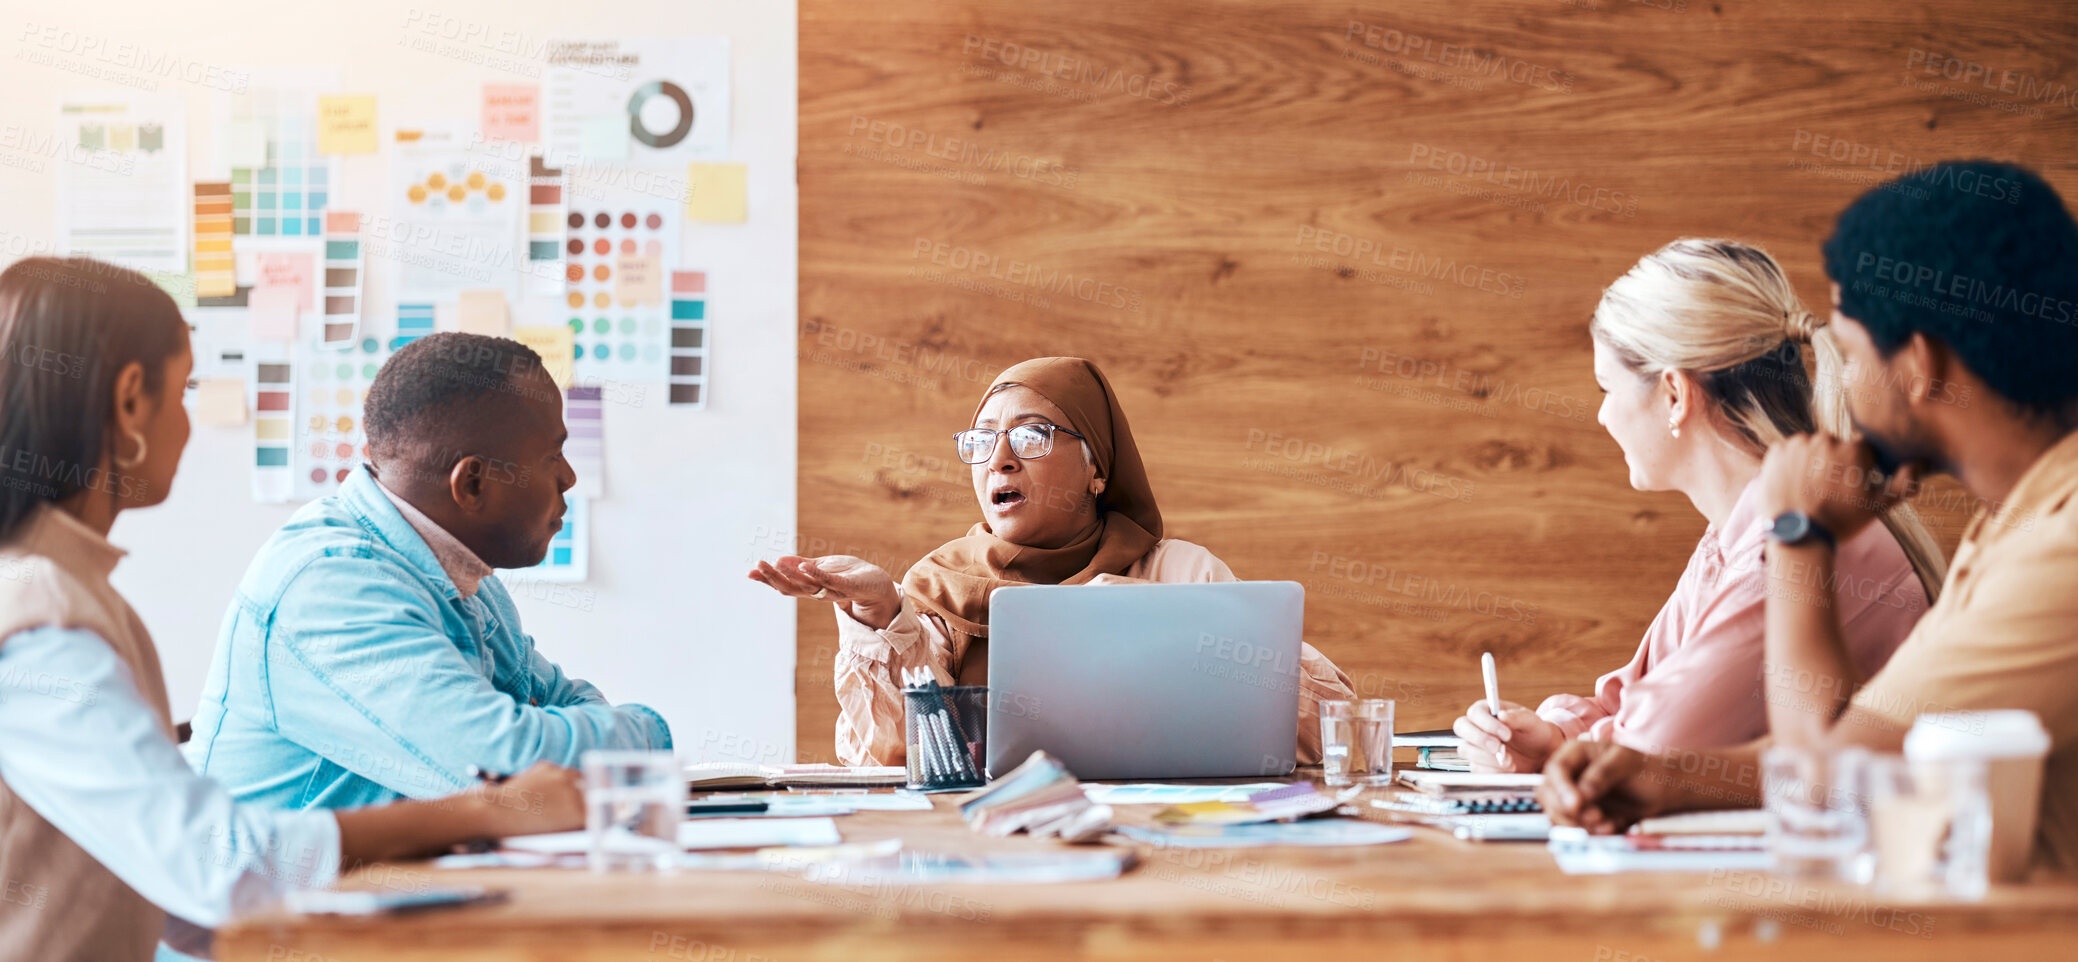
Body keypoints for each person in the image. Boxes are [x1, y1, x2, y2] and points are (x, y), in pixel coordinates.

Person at [0, 258, 580, 962]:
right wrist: (485, 811)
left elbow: (171, 896)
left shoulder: (72, 595)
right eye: (183, 390)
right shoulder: (38, 613)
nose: (190, 423)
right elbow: (215, 865)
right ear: (129, 403)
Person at [1539, 160, 2078, 874]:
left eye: (1851, 356)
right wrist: (1664, 781)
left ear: (1919, 368)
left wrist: (1799, 538)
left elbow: (1826, 785)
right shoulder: (2019, 524)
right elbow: (1861, 744)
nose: (1841, 386)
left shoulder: (2059, 551)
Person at [1451, 240, 1942, 772]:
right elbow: (1638, 697)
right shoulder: (1739, 532)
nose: (1601, 417)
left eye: (1605, 389)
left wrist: (1571, 748)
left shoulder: (1783, 539)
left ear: (1675, 395)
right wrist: (1555, 739)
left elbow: (1653, 745)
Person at [750, 357, 1356, 767]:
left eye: (1032, 435)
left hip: (1164, 843)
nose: (1001, 461)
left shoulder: (1181, 575)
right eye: (982, 441)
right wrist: (880, 611)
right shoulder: (934, 588)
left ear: (1096, 469)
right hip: (984, 852)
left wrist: (1161, 625)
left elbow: (1329, 731)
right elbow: (889, 755)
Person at [184, 332, 668, 811]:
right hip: (297, 889)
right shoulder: (331, 586)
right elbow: (512, 767)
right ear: (472, 484)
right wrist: (647, 732)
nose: (569, 477)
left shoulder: (458, 573)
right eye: (552, 456)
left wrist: (562, 738)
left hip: (412, 881)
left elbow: (560, 702)